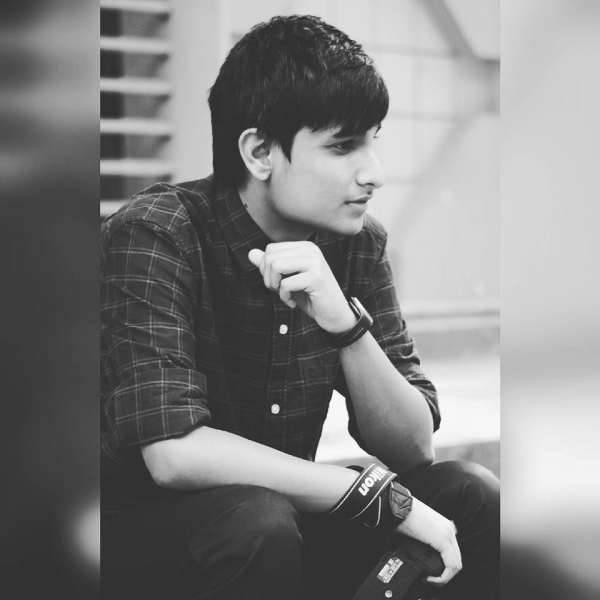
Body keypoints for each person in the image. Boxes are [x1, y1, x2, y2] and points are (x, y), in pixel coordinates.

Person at [101, 15, 499, 600]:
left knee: (470, 494)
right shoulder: (156, 232)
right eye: (343, 146)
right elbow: (174, 453)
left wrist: (346, 326)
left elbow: (413, 448)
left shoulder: (355, 242)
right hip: (153, 545)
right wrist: (372, 496)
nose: (374, 173)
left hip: (285, 526)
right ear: (260, 152)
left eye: (373, 140)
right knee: (256, 521)